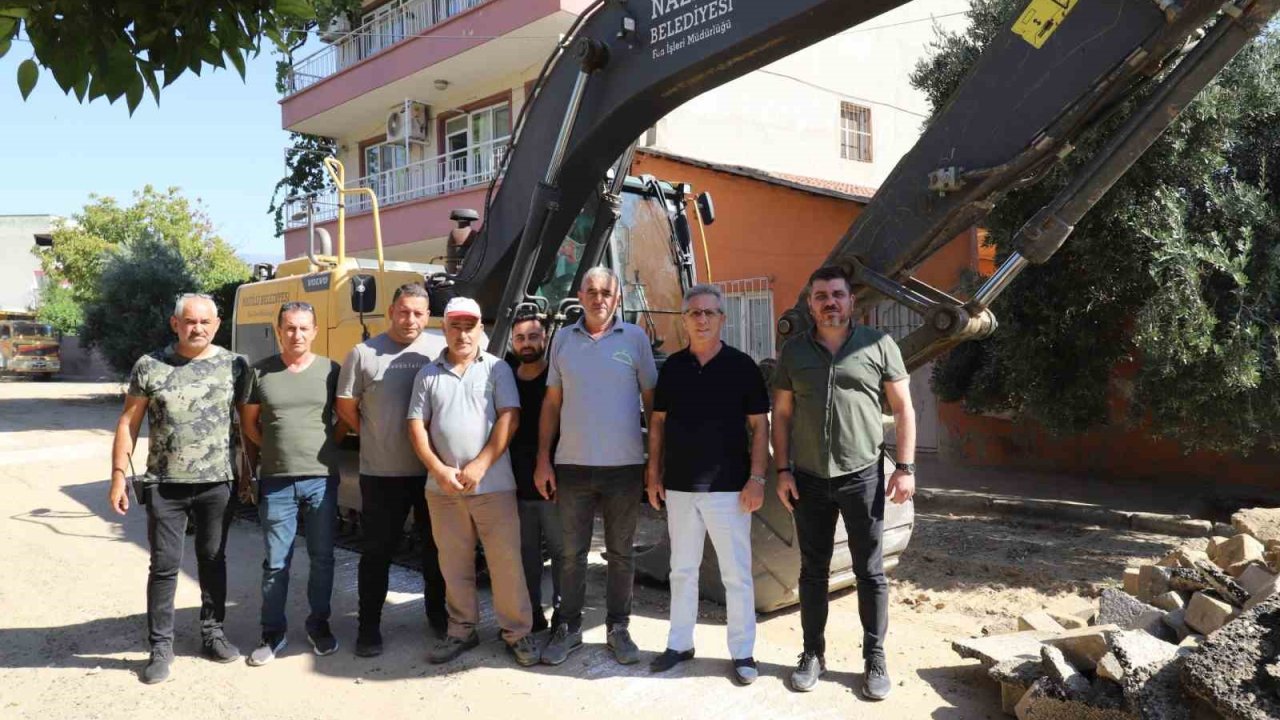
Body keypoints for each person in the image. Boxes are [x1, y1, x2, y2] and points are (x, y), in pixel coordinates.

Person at [772, 266, 917, 701]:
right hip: (810, 479)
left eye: (837, 294)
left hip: (862, 476)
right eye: (820, 296)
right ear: (811, 303)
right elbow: (780, 414)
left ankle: (875, 657)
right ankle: (812, 654)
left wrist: (905, 468)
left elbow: (905, 408)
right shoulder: (794, 351)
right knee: (812, 572)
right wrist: (782, 470)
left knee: (869, 571)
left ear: (852, 302)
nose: (829, 302)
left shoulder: (879, 345)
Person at [108, 293, 248, 684]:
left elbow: (246, 422)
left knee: (213, 561)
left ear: (217, 325)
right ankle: (161, 647)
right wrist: (119, 474)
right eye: (190, 321)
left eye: (205, 322)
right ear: (175, 323)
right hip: (165, 486)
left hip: (216, 483)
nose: (197, 328)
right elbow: (128, 423)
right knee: (165, 567)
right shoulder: (150, 366)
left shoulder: (234, 366)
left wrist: (250, 471)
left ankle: (213, 633)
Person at [645, 284, 770, 684]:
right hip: (680, 488)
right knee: (681, 570)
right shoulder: (674, 368)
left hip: (731, 489)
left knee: (736, 574)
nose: (701, 319)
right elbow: (658, 424)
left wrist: (756, 479)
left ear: (722, 318)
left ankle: (743, 653)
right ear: (684, 320)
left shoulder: (742, 366)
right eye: (694, 313)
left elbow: (759, 426)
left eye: (709, 313)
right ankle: (680, 644)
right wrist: (653, 474)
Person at [406, 297, 539, 667]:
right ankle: (461, 630)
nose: (462, 333)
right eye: (455, 326)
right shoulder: (428, 374)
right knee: (454, 565)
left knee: (506, 564)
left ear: (481, 328)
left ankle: (518, 633)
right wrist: (438, 469)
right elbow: (416, 426)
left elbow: (509, 417)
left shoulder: (497, 369)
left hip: (493, 487)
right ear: (444, 329)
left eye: (470, 326)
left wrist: (481, 464)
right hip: (443, 491)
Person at [536, 266, 658, 666]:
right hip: (571, 467)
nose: (598, 297)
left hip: (624, 469)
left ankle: (618, 628)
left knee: (621, 553)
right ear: (581, 295)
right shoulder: (563, 340)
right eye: (590, 290)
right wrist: (543, 459)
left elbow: (653, 406)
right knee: (570, 553)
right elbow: (551, 404)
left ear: (617, 297)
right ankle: (568, 627)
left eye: (606, 291)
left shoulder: (636, 339)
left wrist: (654, 463)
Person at [335, 283, 448, 657]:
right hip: (382, 473)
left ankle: (438, 617)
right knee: (377, 553)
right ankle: (368, 628)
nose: (410, 319)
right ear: (390, 311)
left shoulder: (440, 348)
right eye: (404, 311)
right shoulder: (364, 354)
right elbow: (347, 405)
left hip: (433, 471)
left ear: (427, 313)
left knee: (437, 551)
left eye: (418, 312)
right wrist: (373, 431)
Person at [238, 301, 342, 665]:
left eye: (303, 328)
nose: (296, 335)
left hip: (322, 480)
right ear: (278, 330)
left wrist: (327, 446)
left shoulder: (332, 370)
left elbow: (342, 418)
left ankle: (319, 625)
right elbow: (249, 423)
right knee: (276, 563)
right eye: (290, 328)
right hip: (277, 483)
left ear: (315, 331)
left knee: (323, 558)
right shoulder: (260, 373)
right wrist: (269, 452)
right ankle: (272, 633)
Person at [508, 311, 563, 633]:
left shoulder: (556, 381)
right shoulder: (506, 379)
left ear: (544, 339)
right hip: (515, 484)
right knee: (526, 556)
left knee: (561, 554)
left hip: (554, 485)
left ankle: (561, 618)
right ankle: (533, 616)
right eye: (520, 338)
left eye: (532, 337)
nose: (526, 344)